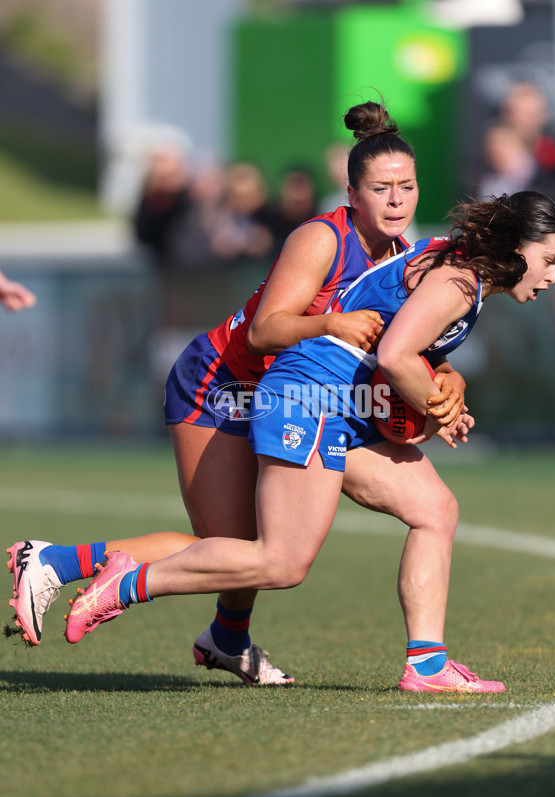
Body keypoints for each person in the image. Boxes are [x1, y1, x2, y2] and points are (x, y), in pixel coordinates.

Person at [7, 100, 465, 686]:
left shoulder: (406, 258)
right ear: (352, 194)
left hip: (306, 397)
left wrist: (449, 387)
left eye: (407, 186)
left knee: (275, 544)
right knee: (234, 546)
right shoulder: (322, 238)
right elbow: (264, 330)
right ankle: (51, 561)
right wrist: (330, 324)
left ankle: (227, 638)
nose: (397, 200)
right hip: (223, 384)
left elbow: (418, 350)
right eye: (382, 188)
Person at [62, 189, 555, 694]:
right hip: (309, 398)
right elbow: (395, 356)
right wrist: (438, 408)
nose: (551, 276)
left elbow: (400, 339)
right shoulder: (460, 281)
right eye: (548, 260)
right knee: (281, 562)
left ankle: (428, 664)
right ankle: (126, 584)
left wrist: (443, 390)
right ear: (513, 245)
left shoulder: (461, 269)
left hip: (342, 404)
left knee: (435, 509)